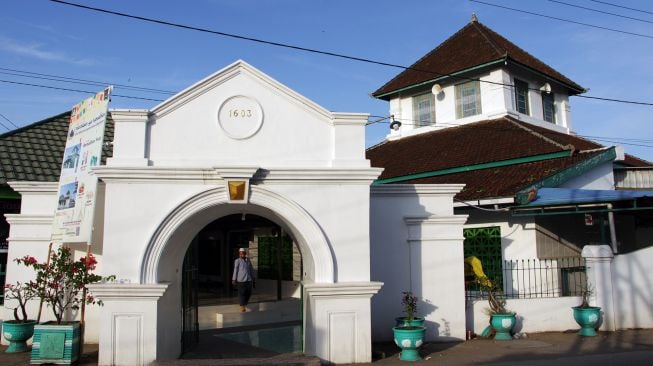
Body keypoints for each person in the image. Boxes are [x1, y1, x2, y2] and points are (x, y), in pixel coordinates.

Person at [232, 247, 255, 312]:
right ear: (239, 254)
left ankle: (244, 303)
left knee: (249, 293)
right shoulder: (237, 261)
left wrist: (253, 277)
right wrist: (234, 279)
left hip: (249, 279)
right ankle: (242, 306)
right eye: (240, 254)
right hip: (241, 280)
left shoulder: (248, 260)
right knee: (241, 293)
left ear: (245, 253)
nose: (242, 255)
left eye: (243, 253)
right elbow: (235, 270)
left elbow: (251, 269)